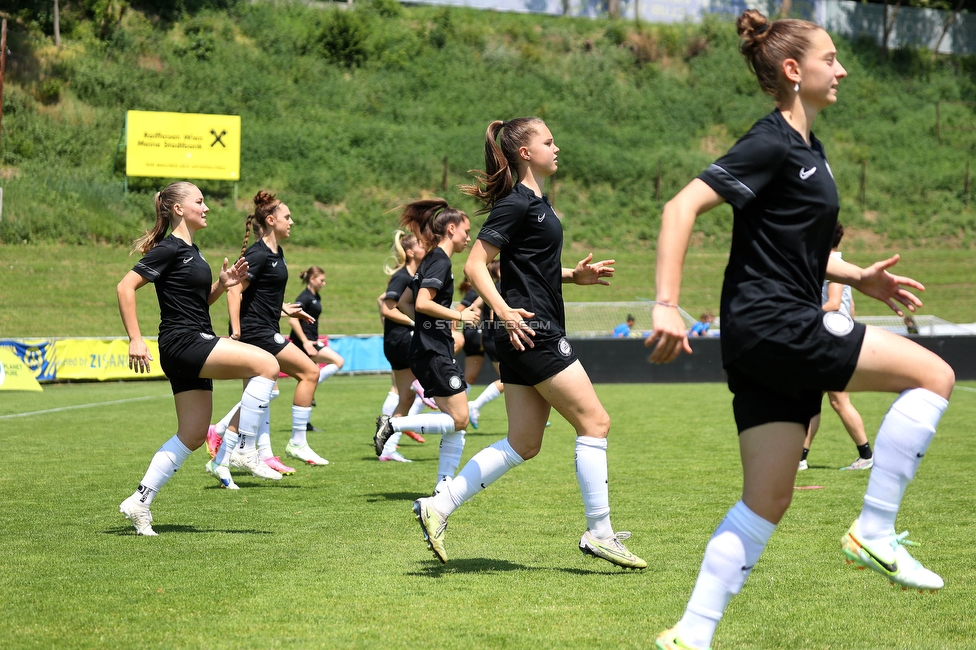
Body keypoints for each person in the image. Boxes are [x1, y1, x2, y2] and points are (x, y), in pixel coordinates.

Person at [645, 12, 954, 649]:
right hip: (775, 323)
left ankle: (690, 634)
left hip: (760, 338)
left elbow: (794, 246)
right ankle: (874, 529)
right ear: (794, 70)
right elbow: (681, 206)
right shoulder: (772, 142)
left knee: (766, 500)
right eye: (831, 58)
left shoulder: (810, 150)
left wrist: (857, 277)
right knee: (935, 374)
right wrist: (666, 302)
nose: (841, 69)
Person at [409, 117, 647, 570]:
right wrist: (502, 310)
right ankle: (600, 533)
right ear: (525, 152)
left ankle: (439, 506)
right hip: (530, 330)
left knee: (523, 442)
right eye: (548, 141)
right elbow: (478, 265)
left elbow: (528, 270)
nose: (557, 148)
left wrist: (576, 276)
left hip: (519, 331)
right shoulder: (517, 203)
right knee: (595, 423)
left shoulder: (539, 203)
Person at [117, 181, 280, 535]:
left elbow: (194, 304)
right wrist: (134, 339)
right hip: (183, 342)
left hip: (187, 342)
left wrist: (222, 286)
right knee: (267, 364)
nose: (206, 207)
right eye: (199, 201)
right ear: (179, 209)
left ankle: (140, 500)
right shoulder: (169, 248)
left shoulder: (194, 250)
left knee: (191, 435)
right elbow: (124, 286)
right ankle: (239, 448)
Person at [210, 191, 327, 486]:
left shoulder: (277, 253)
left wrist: (285, 308)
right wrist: (236, 331)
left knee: (258, 398)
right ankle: (297, 442)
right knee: (310, 372)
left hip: (264, 328)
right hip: (256, 334)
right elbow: (234, 289)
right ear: (271, 220)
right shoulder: (258, 253)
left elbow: (262, 292)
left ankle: (222, 458)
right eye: (287, 217)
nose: (292, 222)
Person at [373, 200, 480, 485]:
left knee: (455, 422)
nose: (469, 238)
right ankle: (392, 423)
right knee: (460, 419)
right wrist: (458, 313)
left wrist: (431, 323)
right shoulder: (440, 261)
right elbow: (421, 302)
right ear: (451, 229)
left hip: (430, 347)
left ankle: (443, 486)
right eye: (466, 232)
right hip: (433, 352)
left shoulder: (433, 259)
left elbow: (407, 302)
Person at [800, 223, 874, 472]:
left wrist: (803, 318)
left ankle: (866, 455)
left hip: (830, 337)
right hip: (829, 335)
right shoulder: (831, 262)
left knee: (838, 401)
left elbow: (833, 303)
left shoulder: (832, 263)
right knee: (812, 399)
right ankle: (799, 458)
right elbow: (849, 307)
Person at [375, 230, 432, 462]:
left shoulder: (416, 275)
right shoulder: (402, 276)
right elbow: (386, 307)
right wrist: (412, 321)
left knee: (405, 399)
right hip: (401, 340)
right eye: (421, 244)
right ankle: (424, 385)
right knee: (432, 355)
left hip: (399, 340)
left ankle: (387, 450)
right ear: (410, 252)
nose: (426, 246)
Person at [288, 266, 345, 432]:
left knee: (310, 377)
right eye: (321, 280)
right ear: (312, 279)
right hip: (305, 344)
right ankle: (313, 388)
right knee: (338, 361)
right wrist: (305, 341)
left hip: (312, 342)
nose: (324, 283)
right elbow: (293, 320)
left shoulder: (315, 296)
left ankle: (306, 423)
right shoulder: (304, 297)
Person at [467, 259, 505, 430]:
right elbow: (492, 315)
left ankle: (530, 416)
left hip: (491, 337)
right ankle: (475, 405)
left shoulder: (492, 288)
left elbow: (475, 305)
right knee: (508, 379)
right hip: (497, 338)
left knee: (512, 380)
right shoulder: (501, 288)